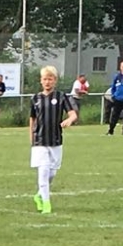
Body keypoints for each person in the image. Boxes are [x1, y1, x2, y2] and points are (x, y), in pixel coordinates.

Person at [30, 66, 78, 214]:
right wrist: (31, 137)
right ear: (41, 80)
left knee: (52, 174)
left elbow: (73, 114)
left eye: (50, 79)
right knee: (43, 172)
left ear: (55, 80)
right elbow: (32, 119)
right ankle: (46, 204)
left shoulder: (61, 97)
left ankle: (39, 195)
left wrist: (69, 120)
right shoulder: (35, 98)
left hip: (56, 140)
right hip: (40, 141)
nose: (47, 82)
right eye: (45, 79)